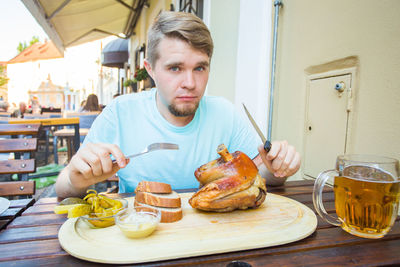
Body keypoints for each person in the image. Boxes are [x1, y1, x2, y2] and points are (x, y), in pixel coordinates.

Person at [55, 11, 301, 198]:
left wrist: (277, 168)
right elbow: (64, 189)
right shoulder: (120, 113)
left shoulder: (225, 114)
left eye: (200, 68)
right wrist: (77, 180)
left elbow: (262, 177)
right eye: (175, 68)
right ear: (150, 70)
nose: (190, 83)